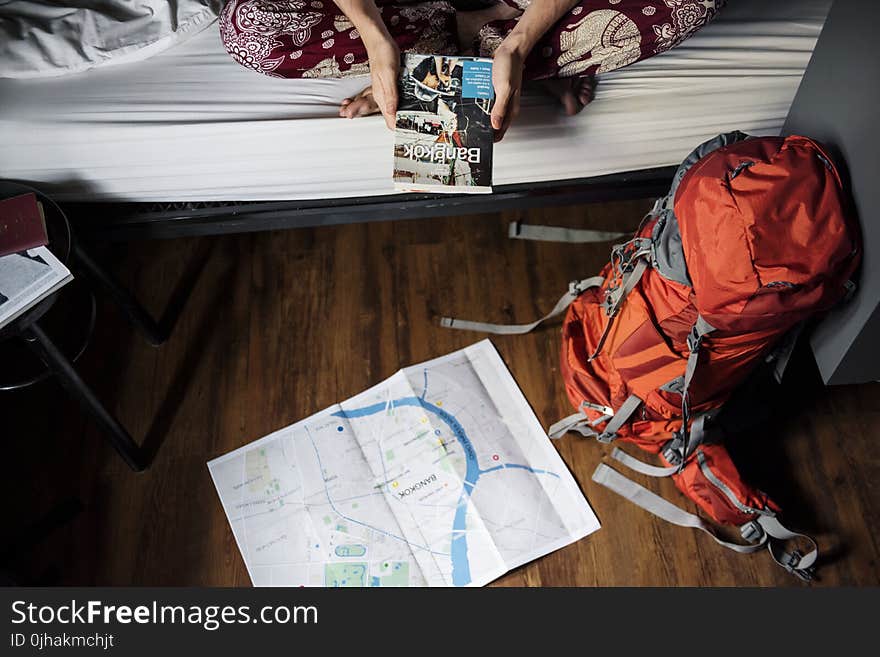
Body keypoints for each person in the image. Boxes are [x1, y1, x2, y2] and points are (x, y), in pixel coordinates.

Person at [220, 1, 726, 140]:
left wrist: (521, 43)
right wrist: (375, 40)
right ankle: (430, 54)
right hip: (402, 9)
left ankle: (502, 52)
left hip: (529, 7)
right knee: (250, 28)